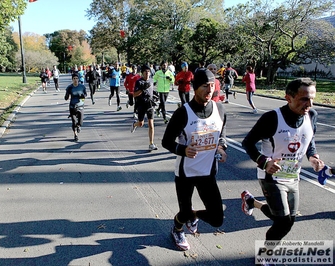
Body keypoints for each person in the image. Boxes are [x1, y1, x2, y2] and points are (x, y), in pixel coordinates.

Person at [241, 78, 326, 243]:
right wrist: (264, 162)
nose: (309, 104)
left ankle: (251, 201)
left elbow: (308, 139)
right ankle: (265, 255)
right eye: (304, 99)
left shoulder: (311, 115)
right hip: (271, 177)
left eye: (312, 99)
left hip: (293, 177)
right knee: (283, 221)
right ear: (288, 98)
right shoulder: (272, 118)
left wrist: (313, 157)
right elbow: (248, 142)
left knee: (286, 218)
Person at [162, 69, 227, 251]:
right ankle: (177, 229)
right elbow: (166, 142)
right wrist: (183, 149)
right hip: (186, 173)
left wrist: (221, 147)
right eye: (205, 86)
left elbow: (221, 135)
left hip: (208, 173)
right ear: (194, 87)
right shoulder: (183, 113)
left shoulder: (219, 109)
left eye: (212, 85)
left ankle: (194, 216)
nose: (209, 90)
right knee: (184, 212)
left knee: (217, 219)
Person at [130, 65, 159, 151]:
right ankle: (135, 124)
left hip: (149, 104)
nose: (147, 74)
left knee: (151, 124)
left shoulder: (151, 80)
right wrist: (142, 89)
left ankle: (151, 143)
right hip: (141, 104)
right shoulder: (139, 82)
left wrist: (155, 94)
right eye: (145, 72)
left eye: (148, 72)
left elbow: (150, 90)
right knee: (141, 124)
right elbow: (134, 94)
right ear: (142, 73)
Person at [64, 73, 87, 141]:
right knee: (74, 121)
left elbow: (85, 94)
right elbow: (66, 97)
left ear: (78, 79)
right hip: (72, 106)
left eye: (77, 78)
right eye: (74, 79)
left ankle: (79, 126)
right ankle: (75, 135)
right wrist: (67, 96)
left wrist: (82, 96)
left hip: (80, 106)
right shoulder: (70, 87)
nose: (75, 80)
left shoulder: (82, 87)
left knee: (80, 122)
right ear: (72, 80)